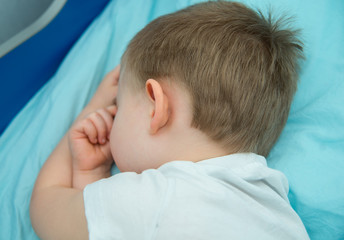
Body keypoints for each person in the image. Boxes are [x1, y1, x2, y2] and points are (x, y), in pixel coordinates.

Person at [30, 1, 310, 239]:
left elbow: (46, 208)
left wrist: (91, 109)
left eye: (120, 106)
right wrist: (93, 178)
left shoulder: (154, 199)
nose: (112, 118)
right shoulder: (281, 213)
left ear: (156, 108)